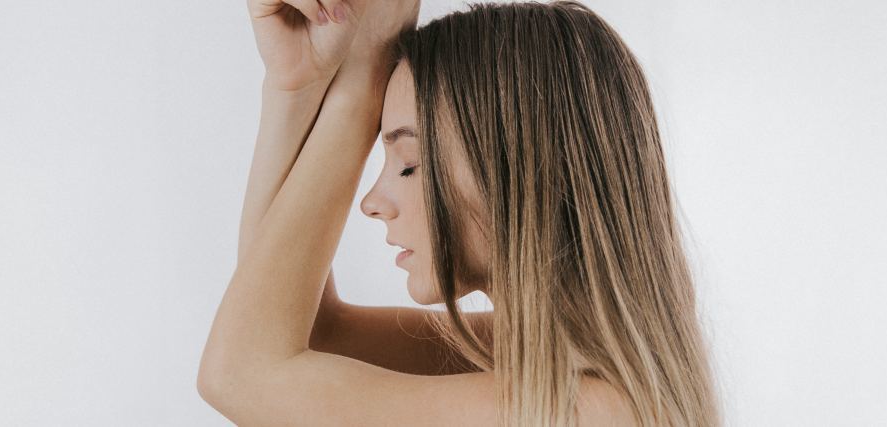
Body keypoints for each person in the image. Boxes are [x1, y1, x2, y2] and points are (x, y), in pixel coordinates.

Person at [197, 1, 721, 425]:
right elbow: (300, 329)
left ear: (523, 174)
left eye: (411, 163)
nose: (372, 203)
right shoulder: (545, 360)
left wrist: (364, 72)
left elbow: (242, 374)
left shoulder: (591, 413)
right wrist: (295, 86)